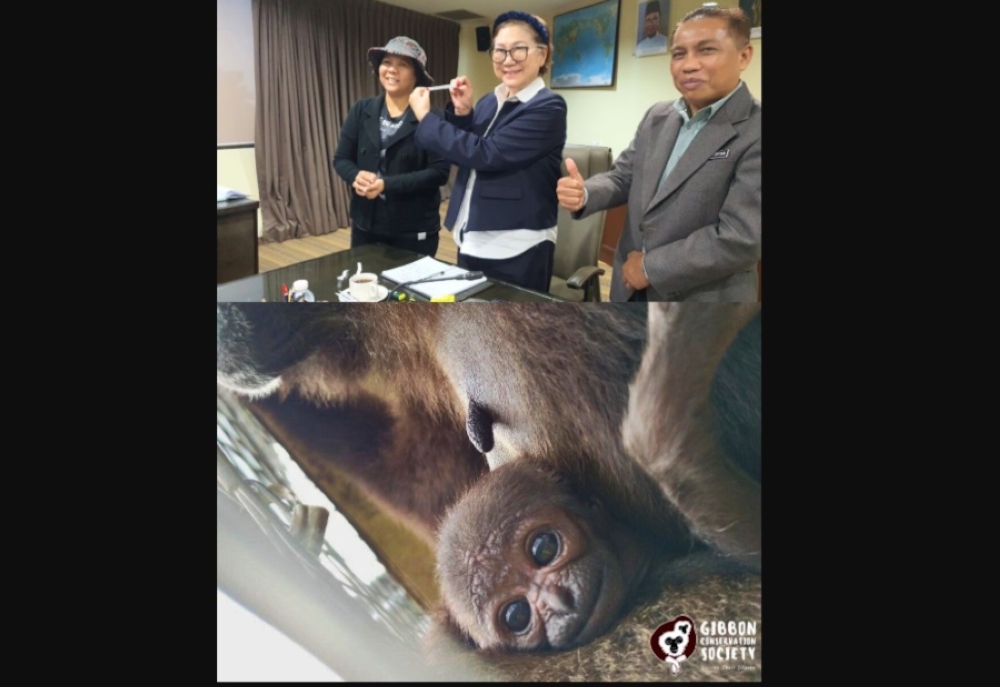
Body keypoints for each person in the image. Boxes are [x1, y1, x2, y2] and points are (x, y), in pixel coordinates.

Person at [557, 6, 760, 302]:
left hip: (701, 304)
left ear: (744, 56)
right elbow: (623, 176)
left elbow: (741, 236)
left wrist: (651, 267)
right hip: (628, 289)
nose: (689, 65)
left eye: (706, 50)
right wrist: (585, 193)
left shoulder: (755, 129)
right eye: (679, 54)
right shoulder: (658, 115)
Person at [407, 11, 566, 293]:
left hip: (516, 244)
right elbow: (466, 150)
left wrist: (426, 118)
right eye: (500, 51)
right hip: (471, 233)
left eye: (519, 49)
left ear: (542, 55)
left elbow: (487, 154)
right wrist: (463, 112)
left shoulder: (548, 107)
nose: (508, 59)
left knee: (515, 332)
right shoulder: (489, 100)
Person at [333, 37, 450, 257]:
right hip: (366, 224)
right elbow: (341, 159)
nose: (392, 70)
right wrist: (355, 176)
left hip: (413, 228)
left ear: (417, 75)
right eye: (387, 62)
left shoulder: (432, 117)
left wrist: (386, 184)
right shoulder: (362, 109)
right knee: (365, 287)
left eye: (403, 64)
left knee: (410, 290)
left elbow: (439, 173)